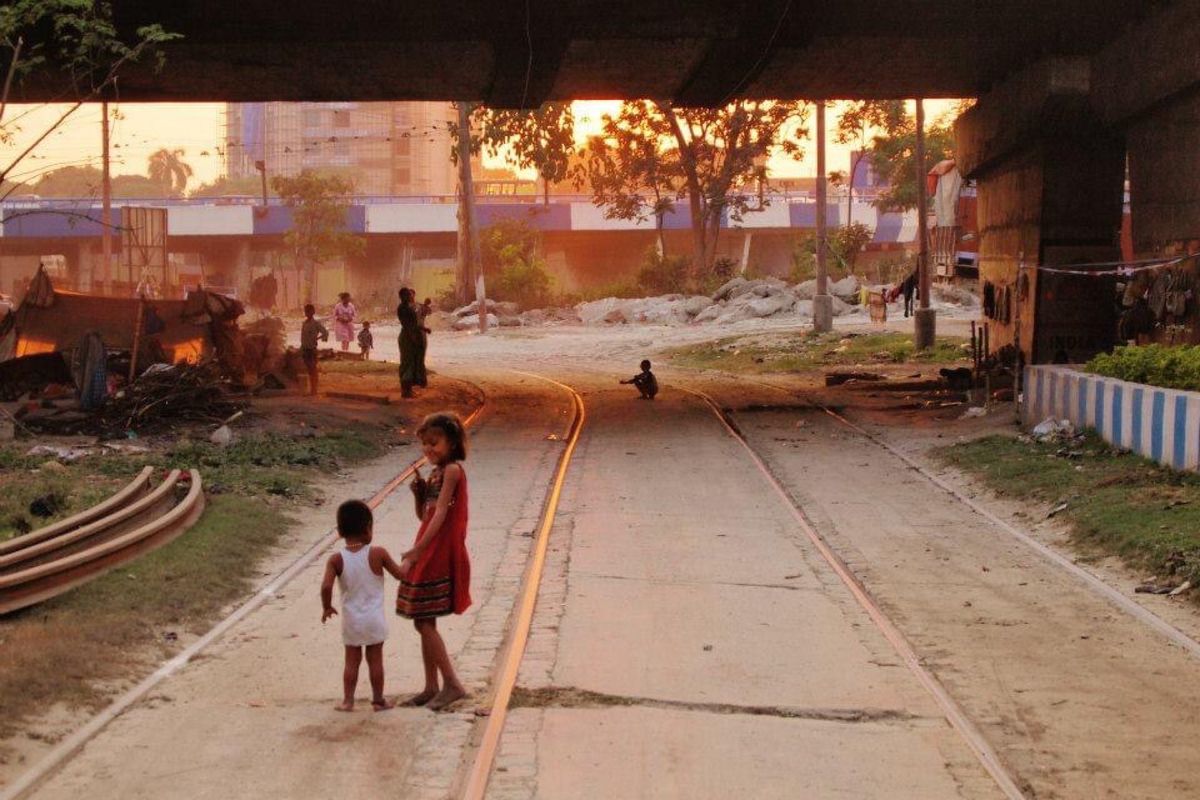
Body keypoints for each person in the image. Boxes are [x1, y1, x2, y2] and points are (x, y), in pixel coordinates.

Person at [396, 413, 471, 710]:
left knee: (423, 618)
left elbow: (440, 514)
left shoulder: (451, 471)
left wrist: (418, 550)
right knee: (423, 619)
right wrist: (419, 496)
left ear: (452, 443)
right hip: (430, 545)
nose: (428, 449)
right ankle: (431, 686)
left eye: (434, 443)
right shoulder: (436, 473)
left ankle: (452, 684)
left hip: (437, 549)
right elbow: (425, 515)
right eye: (425, 444)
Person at [320, 499, 406, 712]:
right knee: (375, 661)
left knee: (351, 661)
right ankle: (378, 700)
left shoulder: (336, 559)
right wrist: (410, 561)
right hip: (374, 620)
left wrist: (327, 607)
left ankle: (348, 701)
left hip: (352, 621)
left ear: (340, 531)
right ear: (368, 528)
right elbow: (400, 574)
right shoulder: (378, 553)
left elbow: (326, 586)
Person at [397, 288, 426, 397]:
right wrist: (413, 337)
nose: (411, 296)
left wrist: (424, 329)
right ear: (403, 296)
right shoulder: (403, 308)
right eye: (408, 295)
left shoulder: (408, 307)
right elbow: (408, 325)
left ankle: (408, 389)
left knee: (411, 363)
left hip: (410, 336)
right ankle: (405, 391)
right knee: (407, 363)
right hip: (408, 337)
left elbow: (414, 323)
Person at [301, 303, 329, 396]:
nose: (307, 313)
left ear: (313, 312)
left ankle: (314, 390)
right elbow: (302, 337)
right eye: (306, 311)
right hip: (305, 349)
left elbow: (325, 332)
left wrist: (317, 338)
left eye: (309, 311)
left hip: (312, 349)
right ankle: (312, 389)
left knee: (313, 370)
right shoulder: (304, 323)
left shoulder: (316, 323)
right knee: (309, 370)